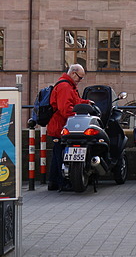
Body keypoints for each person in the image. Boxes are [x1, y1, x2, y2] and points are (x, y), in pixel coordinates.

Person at [47, 63, 91, 191]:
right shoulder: (65, 87)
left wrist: (86, 102)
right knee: (61, 155)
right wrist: (80, 114)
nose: (80, 81)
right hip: (60, 127)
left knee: (57, 155)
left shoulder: (69, 86)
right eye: (79, 77)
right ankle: (63, 183)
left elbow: (75, 101)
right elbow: (65, 110)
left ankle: (53, 183)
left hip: (60, 127)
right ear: (73, 73)